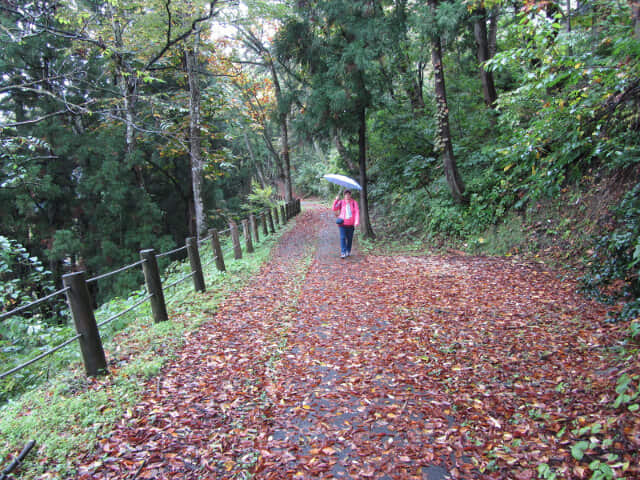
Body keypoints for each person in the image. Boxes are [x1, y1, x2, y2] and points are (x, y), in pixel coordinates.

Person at [332, 190, 360, 258]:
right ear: (344, 195)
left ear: (350, 195)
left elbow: (357, 212)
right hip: (342, 224)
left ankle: (348, 251)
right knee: (342, 238)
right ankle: (343, 252)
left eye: (348, 194)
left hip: (351, 224)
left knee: (349, 238)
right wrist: (336, 200)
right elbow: (334, 208)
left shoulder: (354, 203)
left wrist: (356, 221)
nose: (347, 196)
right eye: (346, 194)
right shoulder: (341, 202)